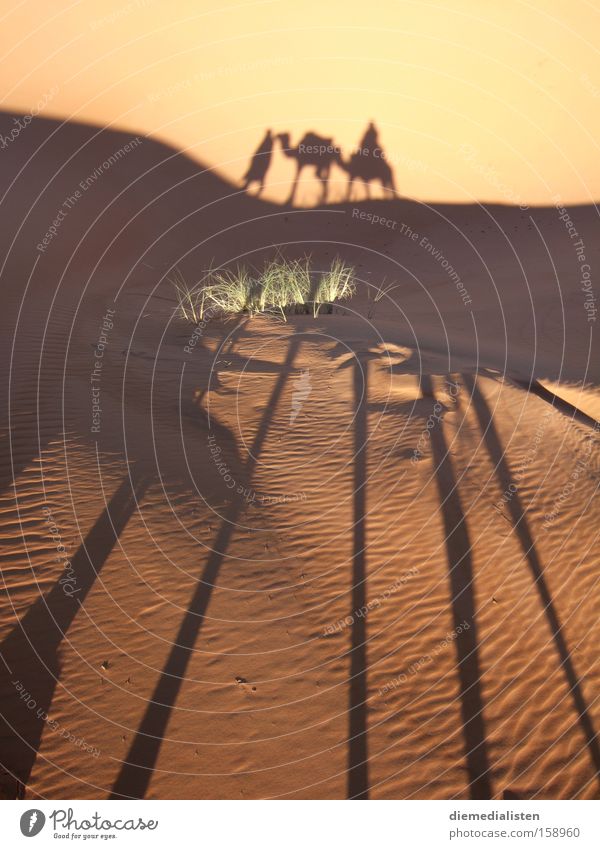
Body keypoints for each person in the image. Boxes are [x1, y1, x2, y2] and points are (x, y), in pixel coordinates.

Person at [242, 129, 274, 196]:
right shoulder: (267, 140)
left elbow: (265, 153)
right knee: (253, 174)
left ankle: (254, 189)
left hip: (262, 162)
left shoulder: (268, 141)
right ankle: (245, 187)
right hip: (260, 161)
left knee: (258, 175)